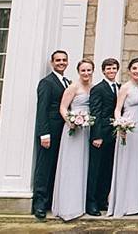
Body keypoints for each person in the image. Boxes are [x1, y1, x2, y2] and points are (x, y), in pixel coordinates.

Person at [51, 59, 95, 221]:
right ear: (78, 71)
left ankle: (80, 203)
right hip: (73, 129)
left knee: (83, 164)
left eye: (89, 70)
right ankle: (68, 205)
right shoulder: (73, 87)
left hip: (87, 127)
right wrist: (71, 121)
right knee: (72, 163)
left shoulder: (92, 87)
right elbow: (63, 107)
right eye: (83, 70)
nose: (86, 73)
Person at [32, 50, 70, 219]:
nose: (61, 63)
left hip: (64, 131)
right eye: (58, 60)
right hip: (50, 132)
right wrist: (44, 133)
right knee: (44, 167)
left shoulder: (67, 82)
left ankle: (49, 202)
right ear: (52, 63)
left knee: (56, 166)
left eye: (64, 60)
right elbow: (42, 109)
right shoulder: (47, 82)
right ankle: (39, 203)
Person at [108, 58, 138, 217]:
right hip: (128, 126)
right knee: (127, 163)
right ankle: (123, 203)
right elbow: (117, 109)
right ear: (129, 70)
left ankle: (136, 203)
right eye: (134, 68)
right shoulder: (125, 87)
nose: (137, 71)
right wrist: (120, 125)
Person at [86, 58, 120, 216]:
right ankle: (91, 202)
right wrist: (97, 135)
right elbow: (95, 112)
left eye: (114, 68)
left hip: (114, 134)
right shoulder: (98, 89)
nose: (111, 71)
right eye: (108, 69)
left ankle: (102, 200)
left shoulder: (118, 87)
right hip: (101, 134)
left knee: (108, 169)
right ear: (103, 71)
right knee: (96, 169)